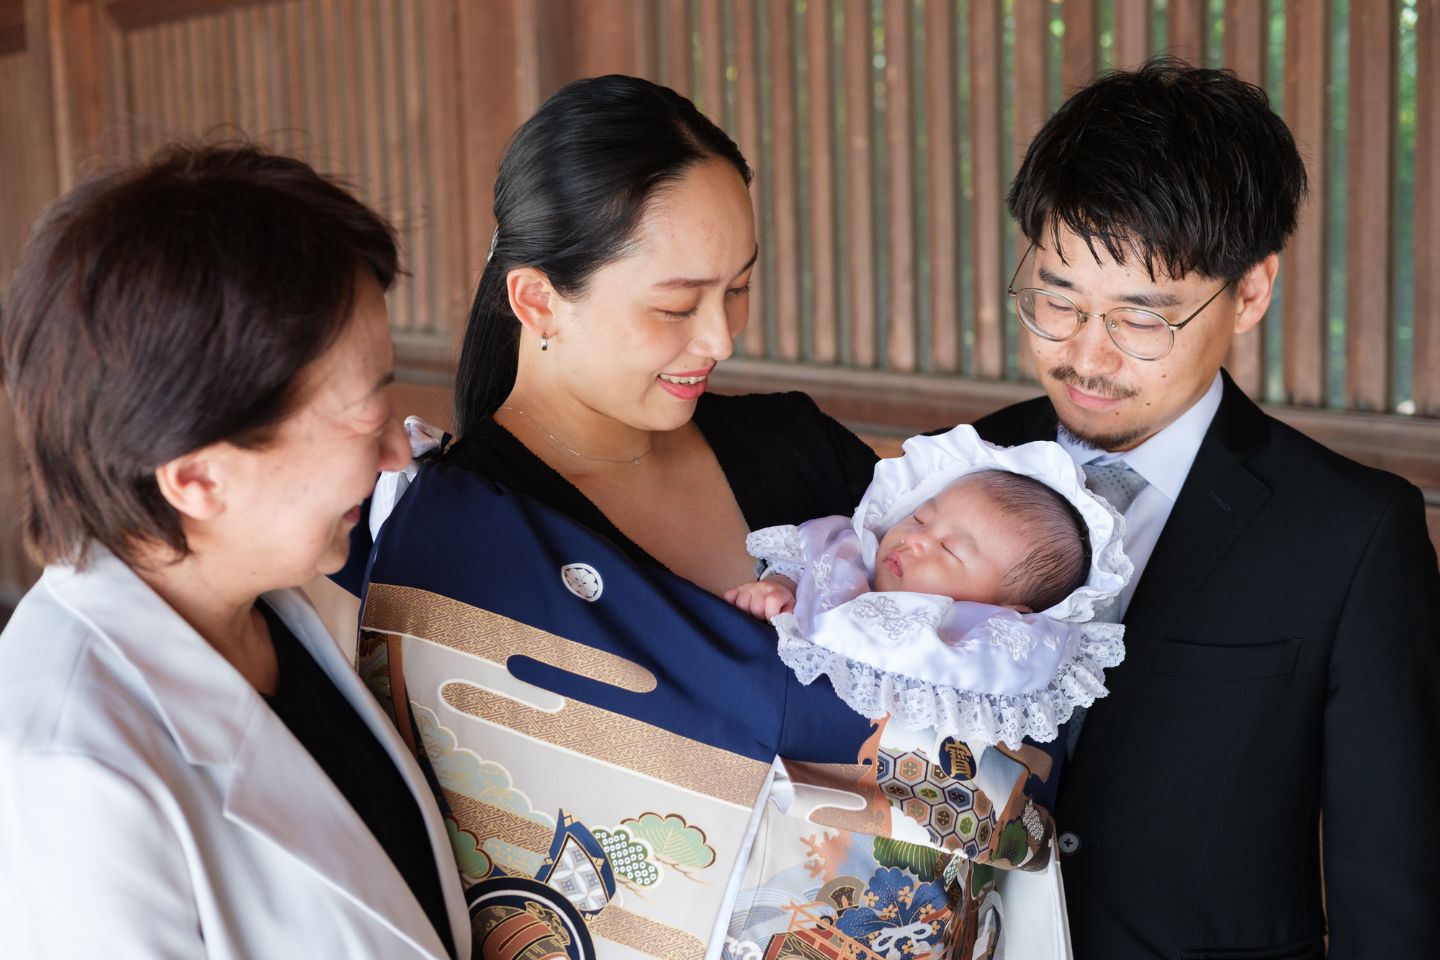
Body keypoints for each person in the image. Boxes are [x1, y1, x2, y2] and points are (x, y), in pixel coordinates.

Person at [342, 76, 1070, 959]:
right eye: (677, 306)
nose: (721, 339)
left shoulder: (801, 452)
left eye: (740, 288)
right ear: (537, 300)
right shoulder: (459, 544)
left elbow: (1013, 681)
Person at [962, 57, 1440, 958]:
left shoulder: (1353, 535)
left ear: (1249, 292)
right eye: (1056, 301)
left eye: (1143, 319)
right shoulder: (952, 472)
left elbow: (1395, 895)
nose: (1086, 356)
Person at [0, 145, 470, 959]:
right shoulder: (69, 771)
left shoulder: (265, 600)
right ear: (199, 480)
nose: (400, 450)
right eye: (366, 416)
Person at [727, 425, 1130, 754]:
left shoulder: (992, 648)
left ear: (1009, 610)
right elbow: (808, 569)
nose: (914, 540)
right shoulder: (850, 555)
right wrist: (778, 587)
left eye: (949, 549)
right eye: (920, 518)